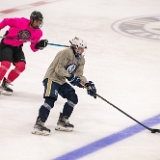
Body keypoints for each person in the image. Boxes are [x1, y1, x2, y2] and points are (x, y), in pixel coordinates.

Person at [32, 37, 97, 136]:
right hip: (51, 78)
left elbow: (79, 75)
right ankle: (39, 124)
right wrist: (71, 77)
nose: (82, 50)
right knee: (50, 99)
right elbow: (59, 69)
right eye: (80, 48)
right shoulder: (66, 53)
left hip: (61, 81)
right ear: (75, 46)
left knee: (73, 98)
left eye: (83, 49)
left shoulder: (81, 59)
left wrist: (86, 84)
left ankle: (62, 121)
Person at [0, 11, 48, 95]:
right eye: (37, 21)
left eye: (40, 22)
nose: (38, 23)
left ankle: (6, 84)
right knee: (6, 64)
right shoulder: (20, 22)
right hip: (6, 44)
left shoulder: (38, 33)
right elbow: (6, 21)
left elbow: (33, 48)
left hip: (17, 47)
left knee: (21, 66)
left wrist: (39, 46)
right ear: (32, 20)